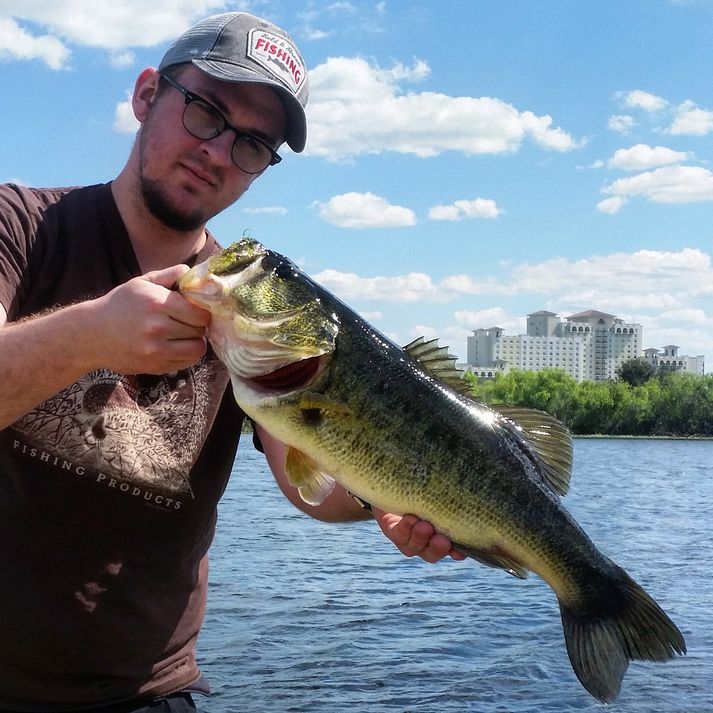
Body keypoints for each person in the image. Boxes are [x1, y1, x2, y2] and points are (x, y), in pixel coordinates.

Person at [0, 12, 464, 713]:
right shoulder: (20, 224)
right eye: (206, 110)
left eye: (252, 143)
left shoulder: (248, 304)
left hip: (152, 693)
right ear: (147, 93)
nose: (218, 151)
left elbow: (306, 479)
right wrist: (91, 334)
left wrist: (382, 500)